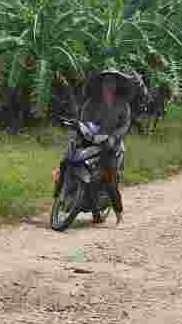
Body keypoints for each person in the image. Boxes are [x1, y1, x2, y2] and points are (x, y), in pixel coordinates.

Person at [52, 74, 131, 219]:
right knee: (66, 162)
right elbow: (83, 122)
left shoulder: (122, 104)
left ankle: (118, 211)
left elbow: (125, 125)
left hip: (111, 145)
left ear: (116, 86)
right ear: (100, 85)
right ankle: (58, 194)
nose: (109, 86)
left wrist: (113, 136)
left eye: (112, 83)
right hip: (91, 139)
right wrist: (81, 131)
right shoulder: (91, 103)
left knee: (109, 178)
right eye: (106, 83)